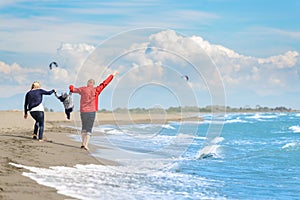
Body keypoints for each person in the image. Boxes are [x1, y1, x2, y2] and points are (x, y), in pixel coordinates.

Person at [69, 71, 118, 150]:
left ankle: (82, 143)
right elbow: (105, 83)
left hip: (83, 111)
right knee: (89, 128)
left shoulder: (82, 89)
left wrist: (71, 87)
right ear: (93, 84)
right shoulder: (96, 90)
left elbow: (72, 89)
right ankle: (86, 144)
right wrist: (113, 75)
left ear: (88, 83)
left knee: (84, 127)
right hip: (92, 112)